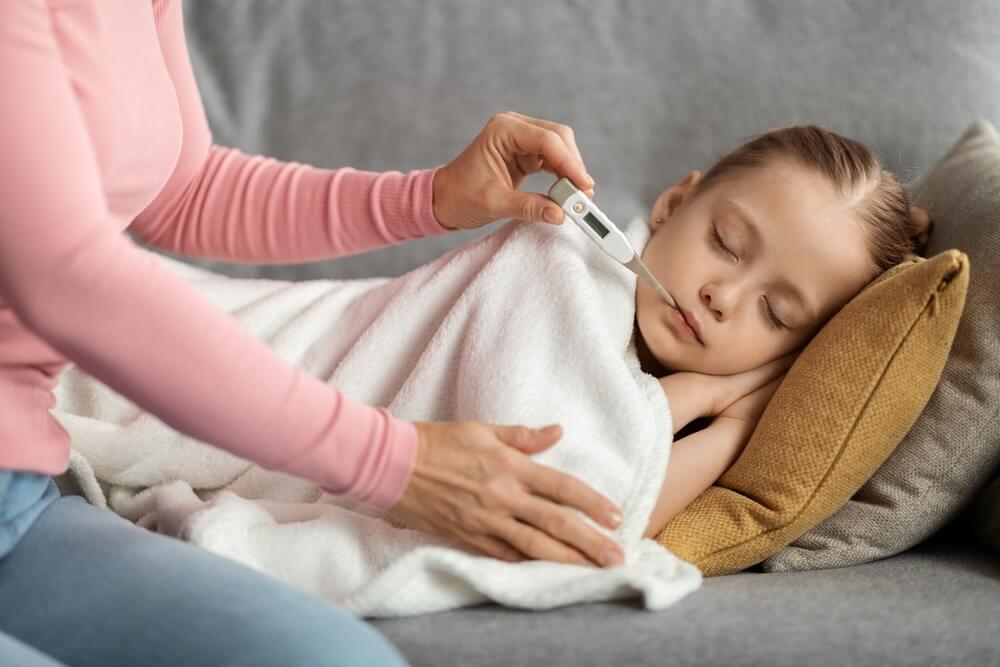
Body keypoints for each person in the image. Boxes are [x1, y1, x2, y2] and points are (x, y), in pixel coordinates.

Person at [0, 1, 622, 666]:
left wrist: (431, 196)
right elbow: (66, 275)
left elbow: (183, 190)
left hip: (19, 505)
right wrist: (391, 462)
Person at [624, 125, 931, 537]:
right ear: (676, 202)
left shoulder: (719, 426)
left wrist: (733, 417)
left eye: (776, 314)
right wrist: (701, 393)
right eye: (726, 243)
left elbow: (608, 518)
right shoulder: (557, 268)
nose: (723, 297)